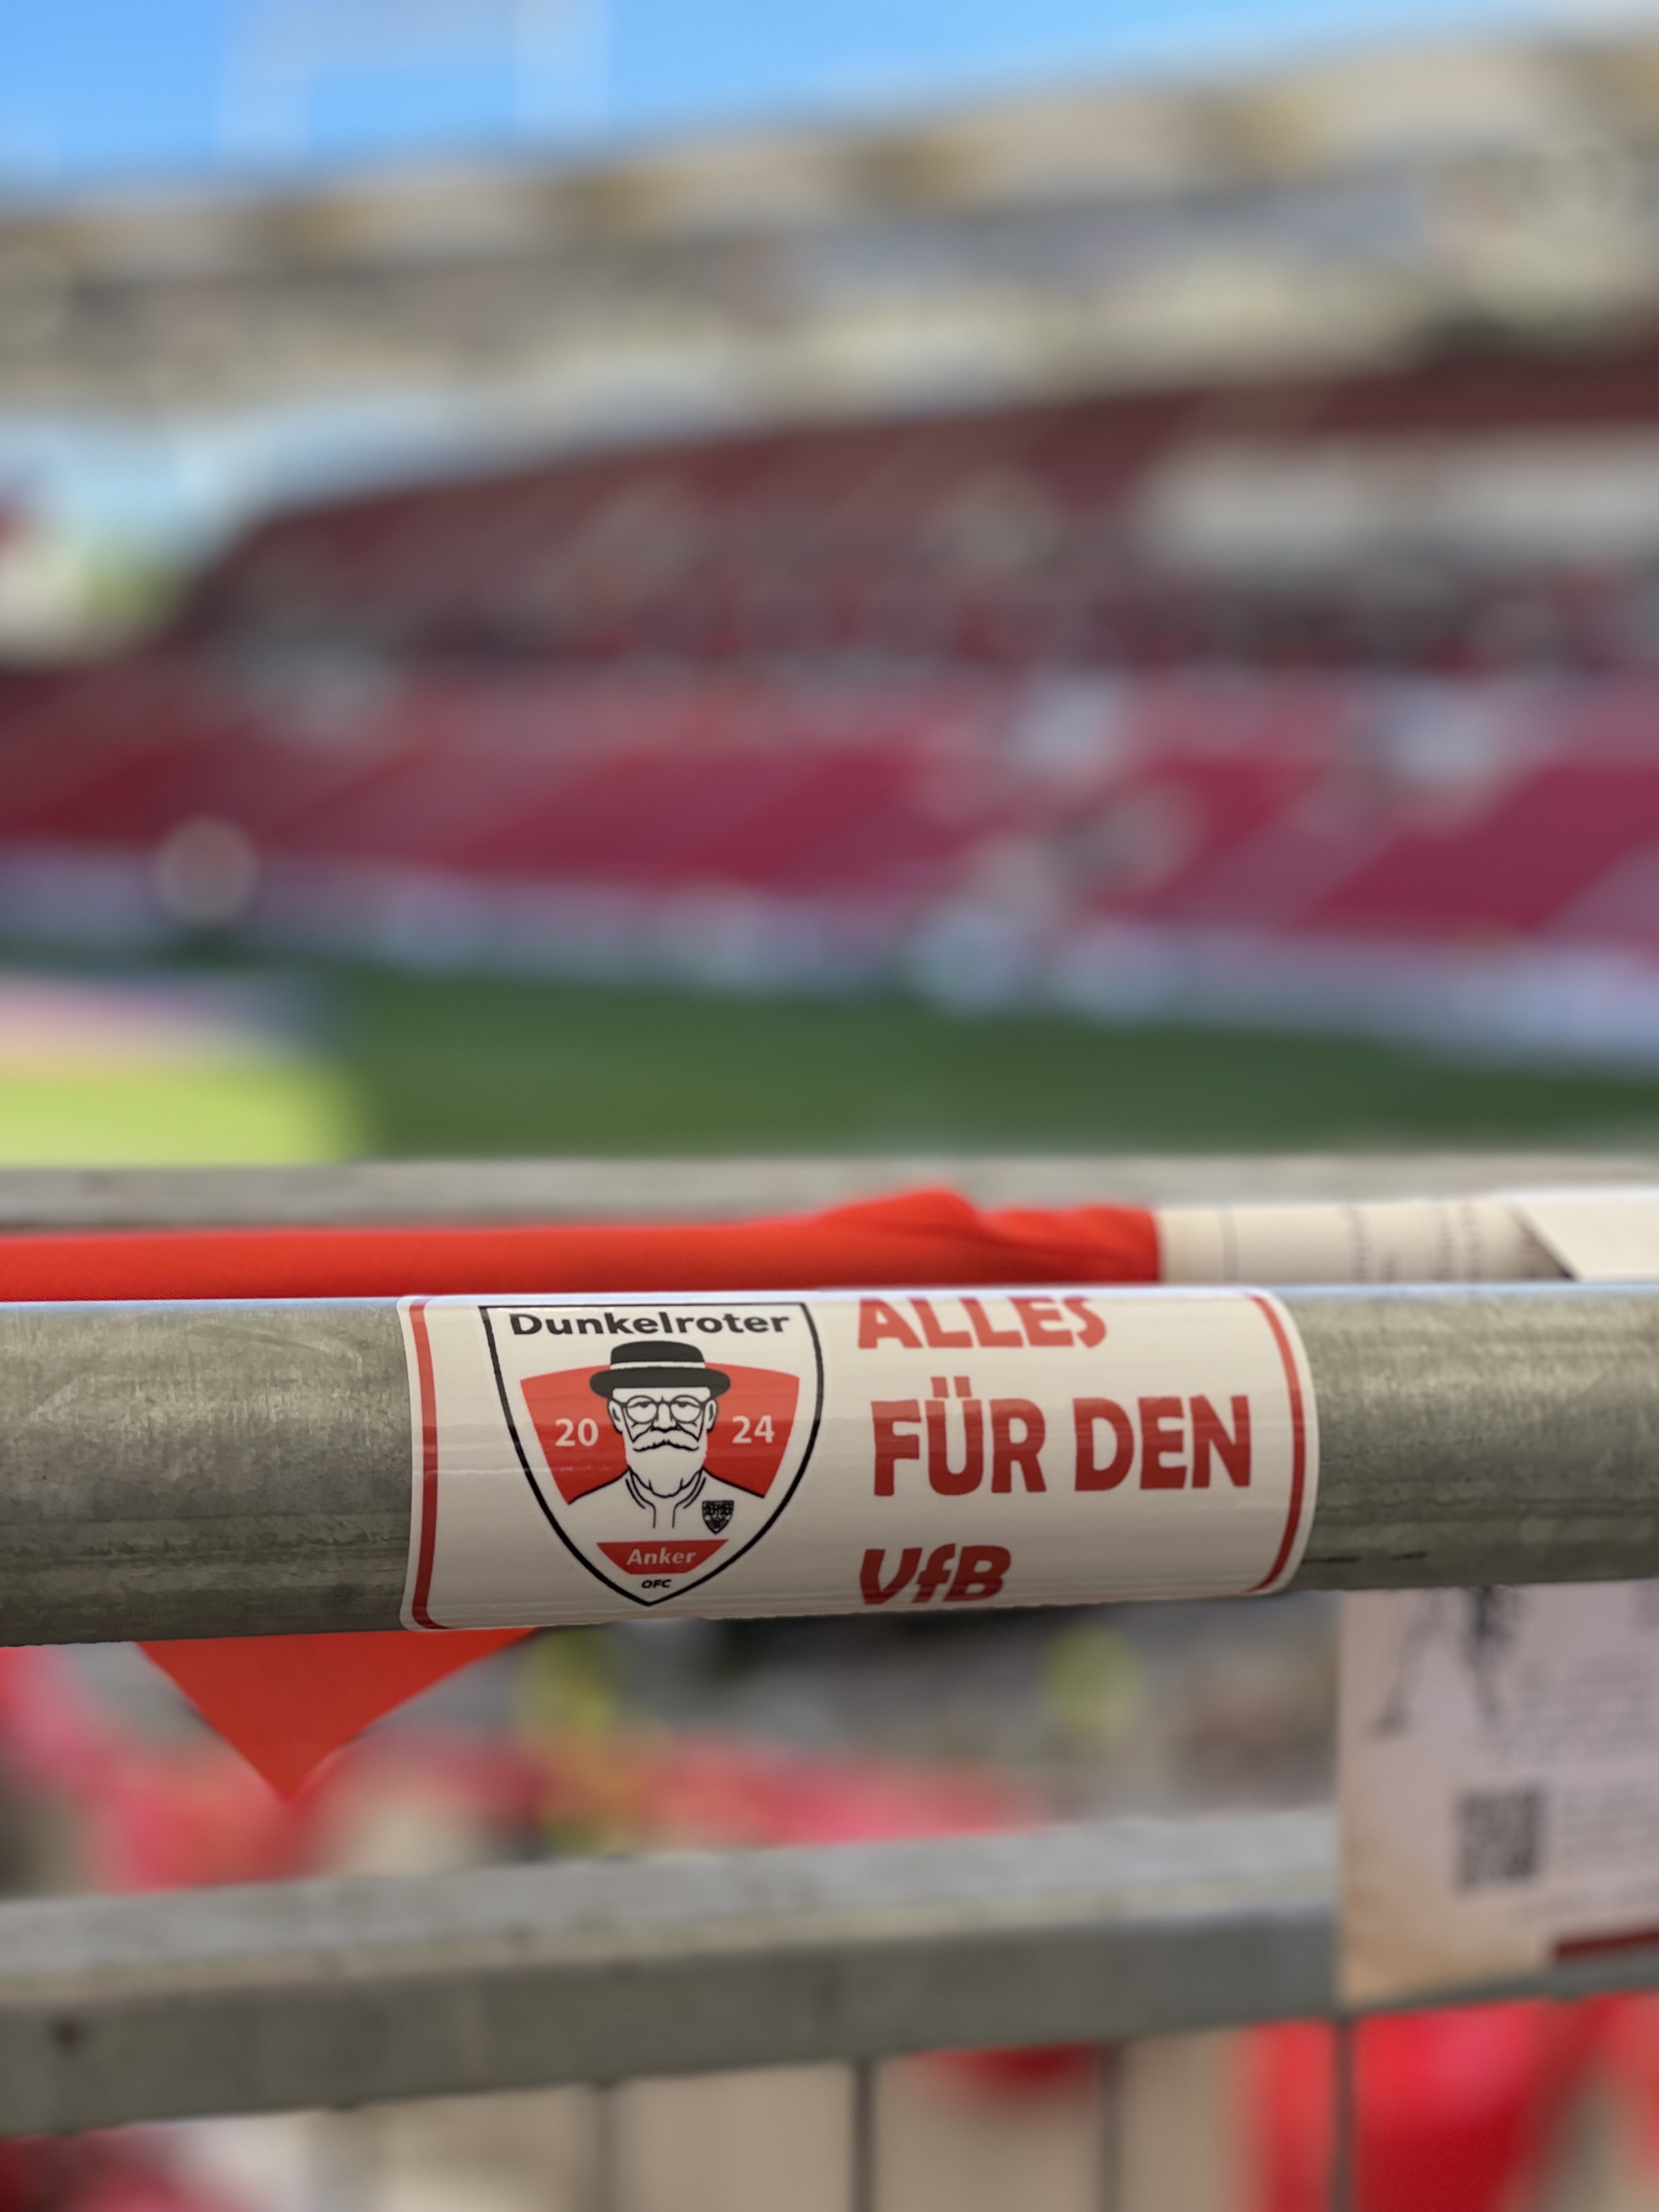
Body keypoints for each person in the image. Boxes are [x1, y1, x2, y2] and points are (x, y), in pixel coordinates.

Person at [574, 1339, 753, 1535]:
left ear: (709, 1414)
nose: (665, 1423)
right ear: (617, 1416)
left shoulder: (749, 1507)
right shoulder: (582, 1514)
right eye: (643, 1405)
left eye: (684, 1405)